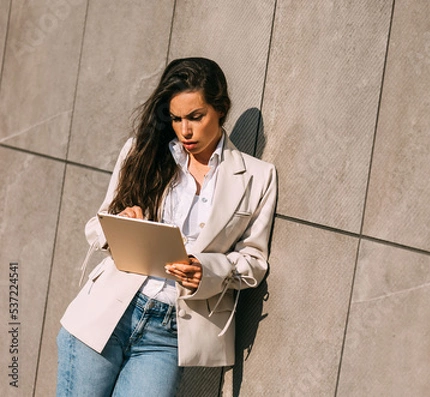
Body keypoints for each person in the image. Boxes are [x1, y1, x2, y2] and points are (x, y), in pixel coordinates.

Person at [56, 57, 277, 396]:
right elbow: (95, 227)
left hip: (171, 332)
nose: (185, 130)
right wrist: (122, 224)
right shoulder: (142, 151)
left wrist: (209, 270)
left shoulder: (258, 177)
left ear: (220, 109)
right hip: (105, 314)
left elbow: (254, 261)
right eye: (176, 119)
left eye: (195, 117)